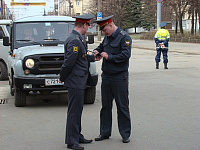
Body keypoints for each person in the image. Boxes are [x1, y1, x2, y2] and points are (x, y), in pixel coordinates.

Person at [59, 14, 96, 150]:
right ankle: (71, 140)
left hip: (79, 80)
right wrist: (62, 77)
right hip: (75, 80)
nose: (89, 27)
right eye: (88, 25)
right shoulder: (75, 40)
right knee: (74, 111)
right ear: (84, 25)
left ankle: (77, 135)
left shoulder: (78, 38)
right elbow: (69, 62)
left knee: (78, 110)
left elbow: (82, 56)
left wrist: (93, 58)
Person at [93, 15, 132, 143]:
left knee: (122, 106)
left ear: (110, 25)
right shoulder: (107, 37)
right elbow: (102, 47)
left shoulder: (124, 37)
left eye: (104, 30)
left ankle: (125, 134)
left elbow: (125, 55)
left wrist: (109, 57)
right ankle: (104, 132)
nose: (104, 33)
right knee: (105, 106)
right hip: (107, 76)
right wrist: (96, 52)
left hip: (119, 76)